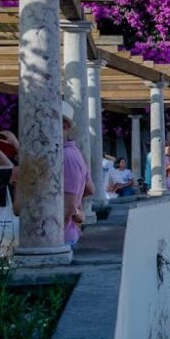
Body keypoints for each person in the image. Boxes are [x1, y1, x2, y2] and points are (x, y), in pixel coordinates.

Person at [62, 102, 93, 246]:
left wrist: (74, 209)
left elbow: (67, 209)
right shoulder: (72, 154)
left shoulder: (67, 157)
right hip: (68, 234)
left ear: (65, 127)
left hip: (61, 238)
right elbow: (89, 189)